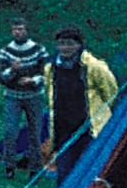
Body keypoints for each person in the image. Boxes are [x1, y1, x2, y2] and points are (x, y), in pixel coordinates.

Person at [48, 27, 119, 175]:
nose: (65, 48)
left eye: (69, 44)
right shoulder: (51, 68)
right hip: (63, 129)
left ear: (79, 45)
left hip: (89, 128)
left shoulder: (94, 66)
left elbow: (111, 93)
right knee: (65, 172)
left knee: (89, 172)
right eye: (61, 44)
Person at [0, 14, 47, 180]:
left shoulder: (38, 49)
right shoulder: (6, 51)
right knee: (10, 132)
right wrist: (12, 70)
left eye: (21, 29)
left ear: (26, 31)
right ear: (11, 32)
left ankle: (35, 169)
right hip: (13, 96)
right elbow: (1, 77)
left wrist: (33, 80)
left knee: (35, 132)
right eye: (15, 30)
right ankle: (9, 167)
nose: (18, 32)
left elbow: (47, 72)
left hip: (34, 96)